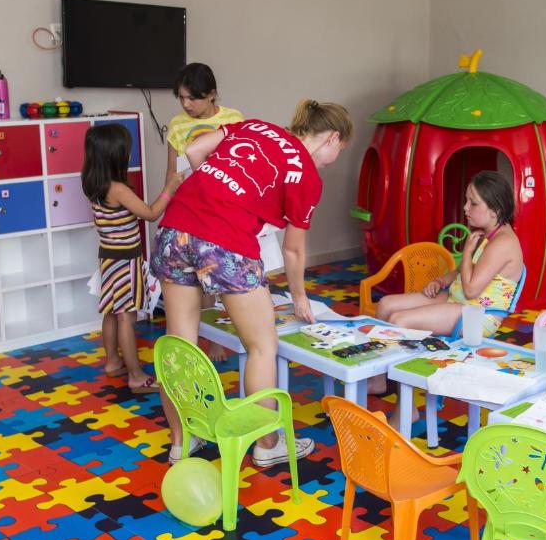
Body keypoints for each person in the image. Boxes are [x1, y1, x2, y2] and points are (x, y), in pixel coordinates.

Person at [151, 99, 353, 465]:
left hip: (175, 228)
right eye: (340, 149)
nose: (334, 157)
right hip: (225, 242)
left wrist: (216, 196)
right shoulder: (306, 175)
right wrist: (299, 297)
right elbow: (293, 250)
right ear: (332, 138)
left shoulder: (257, 126)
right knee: (262, 346)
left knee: (180, 344)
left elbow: (194, 150)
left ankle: (182, 442)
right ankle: (267, 444)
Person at [368, 171, 524, 398]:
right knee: (386, 305)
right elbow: (464, 271)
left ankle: (407, 402)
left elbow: (471, 290)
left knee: (400, 321)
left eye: (473, 203)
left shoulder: (503, 243)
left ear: (495, 210)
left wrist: (467, 252)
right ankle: (379, 381)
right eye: (466, 200)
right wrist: (441, 280)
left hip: (477, 315)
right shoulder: (487, 233)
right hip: (457, 300)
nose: (465, 208)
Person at [81, 124, 183, 392]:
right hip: (125, 260)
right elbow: (150, 213)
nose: (129, 155)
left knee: (112, 311)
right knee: (127, 316)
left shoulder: (93, 181)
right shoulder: (118, 189)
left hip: (108, 257)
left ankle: (113, 362)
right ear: (115, 155)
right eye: (126, 151)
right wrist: (169, 188)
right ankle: (136, 376)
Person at [166, 63, 245, 362]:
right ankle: (200, 343)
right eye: (181, 97)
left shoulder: (233, 119)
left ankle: (217, 338)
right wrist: (169, 204)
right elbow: (172, 172)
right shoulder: (177, 125)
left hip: (222, 209)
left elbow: (241, 165)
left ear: (211, 94)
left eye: (193, 98)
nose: (186, 104)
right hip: (190, 208)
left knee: (218, 276)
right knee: (193, 281)